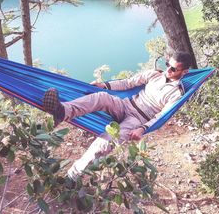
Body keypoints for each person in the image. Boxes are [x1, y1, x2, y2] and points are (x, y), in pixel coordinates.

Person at [42, 51, 192, 180]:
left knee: (104, 142)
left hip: (137, 120)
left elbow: (161, 116)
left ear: (184, 72)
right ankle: (62, 112)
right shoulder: (154, 75)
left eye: (173, 69)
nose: (168, 70)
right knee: (100, 96)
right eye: (167, 64)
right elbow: (128, 83)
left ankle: (72, 177)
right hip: (125, 104)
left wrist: (142, 129)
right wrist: (104, 85)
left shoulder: (176, 93)